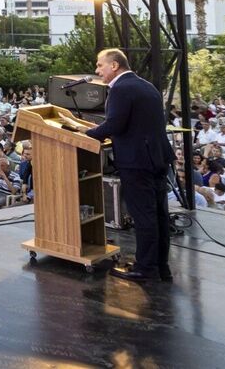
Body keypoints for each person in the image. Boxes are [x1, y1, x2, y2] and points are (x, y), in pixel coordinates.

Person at [85, 49, 175, 283]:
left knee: (143, 215)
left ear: (114, 65)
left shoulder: (121, 88)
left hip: (136, 161)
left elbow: (115, 124)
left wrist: (87, 133)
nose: (97, 71)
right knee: (159, 215)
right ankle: (160, 267)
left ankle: (146, 269)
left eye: (100, 65)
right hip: (156, 157)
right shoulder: (146, 86)